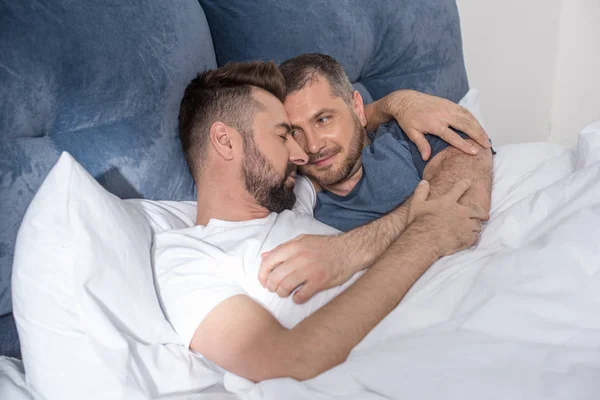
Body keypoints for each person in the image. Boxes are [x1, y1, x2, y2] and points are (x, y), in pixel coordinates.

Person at [153, 60, 486, 382]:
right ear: (226, 141)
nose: (302, 155)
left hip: (460, 308)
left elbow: (344, 128)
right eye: (284, 135)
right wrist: (424, 237)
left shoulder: (291, 196)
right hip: (421, 356)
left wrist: (400, 101)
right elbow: (289, 360)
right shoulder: (186, 257)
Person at [258, 53, 494, 304]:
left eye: (323, 119)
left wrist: (347, 251)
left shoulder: (406, 134)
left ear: (357, 108)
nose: (313, 146)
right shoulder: (292, 194)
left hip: (479, 285)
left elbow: (465, 201)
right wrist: (425, 219)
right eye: (295, 132)